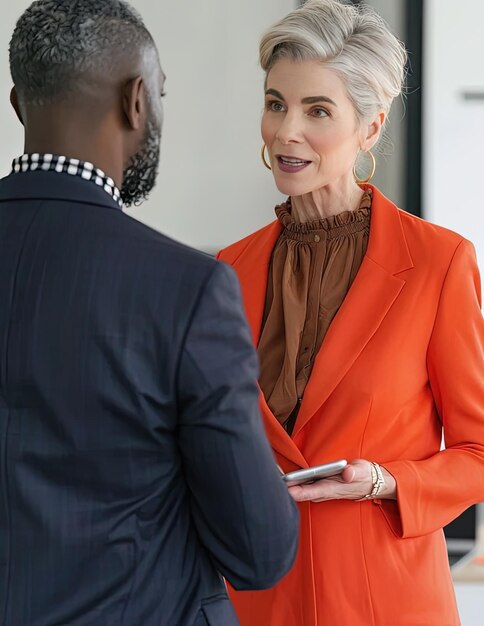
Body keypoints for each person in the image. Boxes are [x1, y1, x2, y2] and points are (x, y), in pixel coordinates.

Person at [0, 2, 299, 625]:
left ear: (18, 103)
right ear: (137, 101)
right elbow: (259, 549)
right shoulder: (185, 290)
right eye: (159, 94)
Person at [217, 1, 484, 625]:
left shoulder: (437, 263)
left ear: (370, 128)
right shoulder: (224, 273)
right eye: (275, 103)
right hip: (255, 598)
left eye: (318, 110)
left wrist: (384, 480)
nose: (286, 130)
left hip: (385, 602)